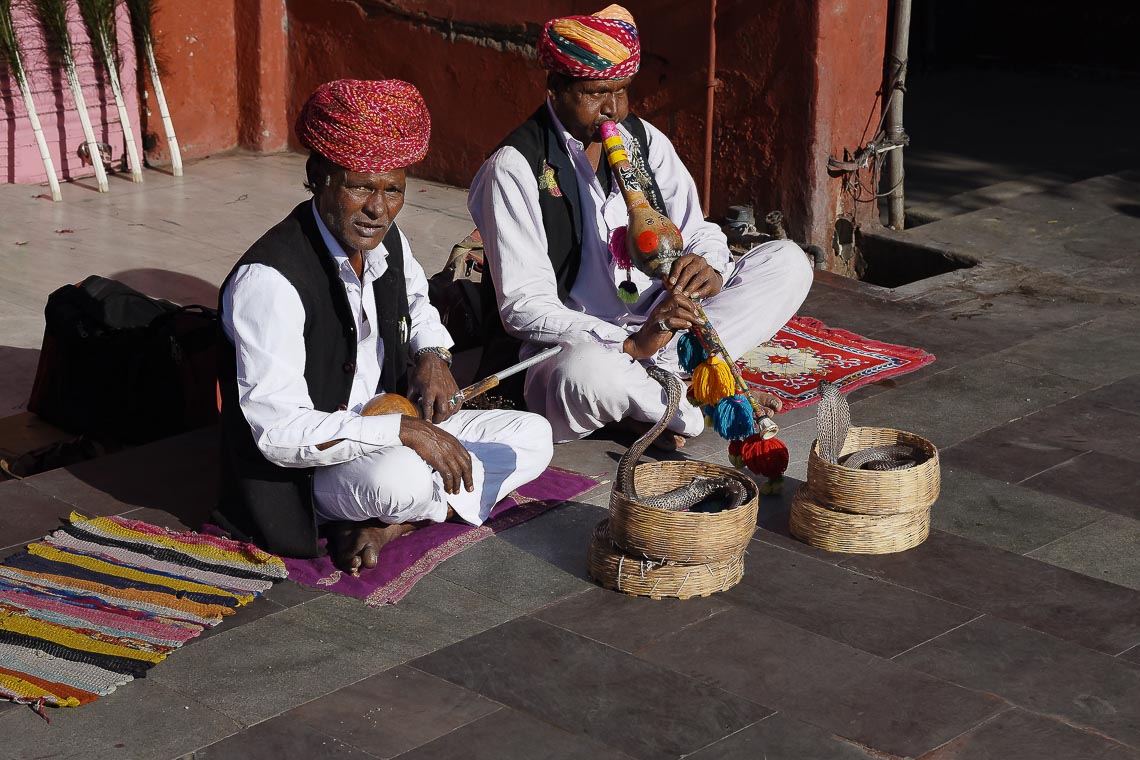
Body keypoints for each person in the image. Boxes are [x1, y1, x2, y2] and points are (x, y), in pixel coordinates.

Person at [214, 79, 553, 573]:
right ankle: (400, 509)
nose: (378, 210)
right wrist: (402, 433)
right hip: (313, 466)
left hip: (394, 423)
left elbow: (420, 305)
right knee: (402, 482)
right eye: (360, 187)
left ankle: (388, 526)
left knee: (533, 434)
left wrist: (432, 357)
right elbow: (279, 434)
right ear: (318, 175)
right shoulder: (270, 282)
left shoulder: (389, 244)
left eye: (393, 191)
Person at [468, 4, 813, 448]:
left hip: (663, 330)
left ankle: (655, 395)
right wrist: (632, 344)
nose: (612, 108)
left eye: (622, 91)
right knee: (587, 374)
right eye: (596, 93)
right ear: (555, 87)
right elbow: (524, 307)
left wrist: (706, 265)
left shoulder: (643, 139)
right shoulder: (515, 167)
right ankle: (687, 403)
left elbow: (700, 229)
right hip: (586, 344)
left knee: (789, 263)